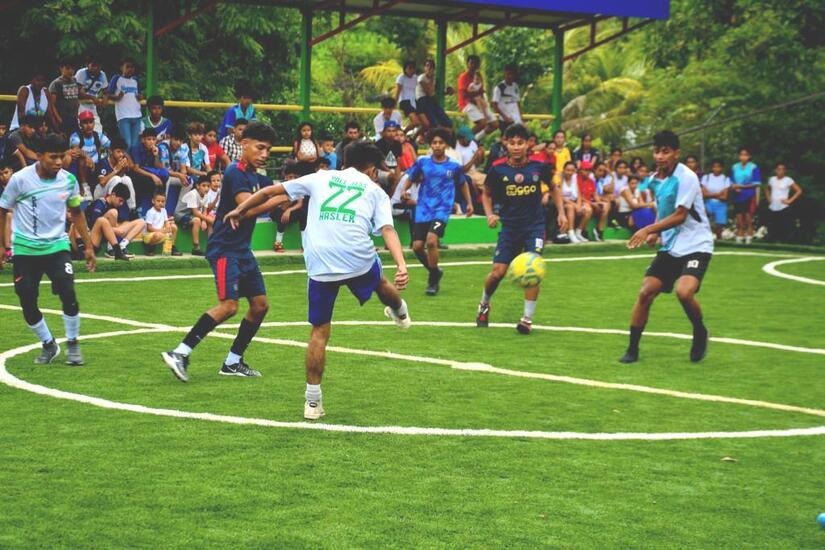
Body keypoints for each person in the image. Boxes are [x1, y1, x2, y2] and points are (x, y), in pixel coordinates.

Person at [223, 140, 410, 420]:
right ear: (372, 169)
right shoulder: (375, 190)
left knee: (319, 331)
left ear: (344, 162)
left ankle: (312, 403)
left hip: (320, 261)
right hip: (357, 258)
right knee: (380, 280)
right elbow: (387, 229)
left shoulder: (320, 177)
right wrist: (402, 265)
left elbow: (270, 191)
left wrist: (240, 210)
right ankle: (400, 311)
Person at [161, 122, 283, 382]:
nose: (264, 154)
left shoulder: (257, 177)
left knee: (260, 306)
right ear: (244, 144)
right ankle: (180, 352)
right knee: (229, 306)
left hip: (242, 249)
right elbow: (245, 207)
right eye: (260, 148)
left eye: (268, 150)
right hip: (225, 248)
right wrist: (285, 196)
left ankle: (233, 361)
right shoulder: (235, 172)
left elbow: (267, 201)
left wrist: (287, 194)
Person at [0, 133, 96, 365]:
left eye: (62, 156)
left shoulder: (69, 180)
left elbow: (76, 213)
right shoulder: (20, 180)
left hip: (57, 246)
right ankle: (48, 344)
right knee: (27, 300)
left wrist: (88, 246)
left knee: (68, 291)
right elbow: (3, 211)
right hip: (25, 249)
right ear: (39, 156)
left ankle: (73, 344)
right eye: (53, 157)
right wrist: (2, 246)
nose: (59, 162)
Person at [620, 130, 713, 364]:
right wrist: (657, 232)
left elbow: (680, 215)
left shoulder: (687, 177)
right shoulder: (655, 179)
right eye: (656, 151)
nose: (660, 156)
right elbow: (664, 208)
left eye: (665, 152)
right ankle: (632, 349)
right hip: (671, 245)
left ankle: (700, 330)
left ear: (676, 153)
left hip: (697, 243)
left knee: (684, 292)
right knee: (646, 292)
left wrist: (648, 229)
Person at [477, 123, 567, 334]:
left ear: (528, 144)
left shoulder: (539, 167)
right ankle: (484, 304)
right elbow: (486, 194)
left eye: (520, 143)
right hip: (510, 227)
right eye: (512, 143)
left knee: (533, 269)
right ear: (505, 144)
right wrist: (490, 214)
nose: (516, 147)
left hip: (534, 227)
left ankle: (527, 319)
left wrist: (561, 212)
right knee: (497, 273)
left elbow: (554, 188)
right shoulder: (497, 169)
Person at [399, 128, 473, 296]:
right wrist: (404, 190)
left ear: (446, 145)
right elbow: (410, 177)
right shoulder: (423, 162)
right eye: (434, 143)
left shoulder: (454, 166)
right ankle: (435, 271)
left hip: (442, 209)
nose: (437, 145)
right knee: (417, 247)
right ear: (430, 145)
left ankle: (432, 281)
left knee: (431, 241)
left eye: (440, 142)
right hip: (423, 208)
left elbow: (463, 184)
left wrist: (469, 203)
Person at [84, 183, 145, 259]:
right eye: (120, 200)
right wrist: (117, 230)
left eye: (123, 202)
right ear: (113, 195)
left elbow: (120, 224)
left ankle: (122, 246)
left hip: (112, 232)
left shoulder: (116, 205)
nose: (121, 204)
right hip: (95, 235)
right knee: (113, 212)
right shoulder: (100, 203)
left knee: (141, 222)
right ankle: (111, 249)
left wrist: (120, 229)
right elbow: (93, 225)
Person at [69, 110, 111, 197]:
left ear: (94, 123)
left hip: (96, 166)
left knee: (104, 151)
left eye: (91, 122)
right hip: (81, 167)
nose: (88, 125)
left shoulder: (99, 136)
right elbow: (75, 149)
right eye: (85, 122)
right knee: (80, 158)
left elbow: (112, 147)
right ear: (80, 125)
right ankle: (85, 187)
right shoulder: (76, 136)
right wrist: (87, 157)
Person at [106, 58, 143, 156]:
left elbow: (140, 94)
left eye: (132, 67)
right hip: (123, 115)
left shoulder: (135, 80)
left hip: (136, 115)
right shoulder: (117, 78)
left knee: (135, 144)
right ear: (121, 67)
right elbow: (108, 94)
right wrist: (117, 97)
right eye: (127, 67)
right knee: (127, 143)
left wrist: (140, 96)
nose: (130, 69)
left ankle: (132, 163)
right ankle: (123, 162)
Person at [457, 55, 498, 141]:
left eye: (476, 63)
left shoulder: (479, 77)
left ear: (478, 65)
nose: (473, 65)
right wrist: (478, 93)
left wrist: (484, 103)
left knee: (494, 124)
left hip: (479, 102)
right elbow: (464, 94)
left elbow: (481, 91)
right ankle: (464, 140)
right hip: (466, 103)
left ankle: (476, 139)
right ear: (467, 64)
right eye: (471, 63)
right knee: (482, 123)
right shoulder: (463, 77)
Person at [49, 59, 92, 137]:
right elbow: (52, 104)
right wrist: (59, 119)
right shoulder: (56, 83)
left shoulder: (74, 80)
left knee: (76, 139)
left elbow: (79, 94)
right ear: (61, 68)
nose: (70, 71)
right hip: (63, 118)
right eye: (67, 68)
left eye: (72, 69)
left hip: (74, 117)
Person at [174, 176, 213, 256]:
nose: (206, 188)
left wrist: (204, 221)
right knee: (197, 220)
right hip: (180, 215)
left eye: (208, 186)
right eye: (204, 186)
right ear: (198, 186)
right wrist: (208, 219)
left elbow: (204, 210)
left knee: (207, 220)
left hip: (190, 215)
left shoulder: (206, 195)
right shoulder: (193, 194)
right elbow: (195, 212)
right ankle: (196, 248)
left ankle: (211, 247)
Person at [94, 138, 137, 211]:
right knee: (116, 179)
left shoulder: (121, 161)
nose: (121, 154)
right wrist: (116, 170)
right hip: (100, 192)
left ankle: (132, 209)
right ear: (111, 151)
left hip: (113, 191)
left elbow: (132, 167)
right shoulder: (104, 159)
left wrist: (123, 169)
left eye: (123, 152)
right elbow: (102, 182)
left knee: (127, 179)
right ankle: (110, 207)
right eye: (118, 152)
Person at [765, 162, 802, 243]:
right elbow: (767, 189)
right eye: (779, 169)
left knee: (784, 226)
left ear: (785, 171)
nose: (780, 171)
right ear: (775, 170)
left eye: (782, 169)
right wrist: (768, 198)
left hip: (783, 207)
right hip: (773, 207)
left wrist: (790, 201)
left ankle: (784, 241)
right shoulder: (772, 179)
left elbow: (799, 191)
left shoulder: (788, 180)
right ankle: (771, 242)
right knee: (772, 226)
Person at [730, 147, 761, 244]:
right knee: (739, 217)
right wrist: (734, 187)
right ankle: (740, 236)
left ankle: (749, 236)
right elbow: (731, 181)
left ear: (749, 156)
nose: (743, 157)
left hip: (749, 195)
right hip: (737, 196)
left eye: (745, 155)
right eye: (741, 155)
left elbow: (756, 183)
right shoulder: (734, 167)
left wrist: (742, 186)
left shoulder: (753, 167)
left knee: (748, 218)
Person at [269, 163, 301, 252]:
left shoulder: (299, 187)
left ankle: (304, 245)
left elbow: (300, 204)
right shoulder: (279, 186)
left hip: (290, 212)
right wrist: (284, 207)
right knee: (282, 214)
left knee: (303, 213)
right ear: (286, 177)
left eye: (295, 177)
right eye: (290, 177)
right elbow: (272, 203)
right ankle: (278, 243)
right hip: (277, 211)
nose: (293, 179)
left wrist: (289, 210)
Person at [415, 59, 452, 131]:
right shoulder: (421, 78)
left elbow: (437, 91)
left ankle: (446, 128)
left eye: (431, 66)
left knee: (446, 120)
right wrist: (431, 79)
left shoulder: (435, 79)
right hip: (422, 101)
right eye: (427, 66)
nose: (429, 68)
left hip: (431, 101)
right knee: (434, 123)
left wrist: (448, 91)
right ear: (424, 68)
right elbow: (430, 92)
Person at [75, 55, 108, 134]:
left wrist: (105, 99)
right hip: (79, 106)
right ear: (87, 65)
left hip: (92, 107)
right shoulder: (81, 73)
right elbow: (78, 92)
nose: (95, 68)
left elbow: (106, 91)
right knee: (83, 128)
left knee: (97, 130)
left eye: (98, 66)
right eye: (93, 65)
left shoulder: (102, 75)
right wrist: (92, 98)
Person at [700, 159, 731, 240]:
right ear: (712, 168)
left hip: (721, 204)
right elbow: (703, 194)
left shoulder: (725, 179)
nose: (716, 169)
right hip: (708, 203)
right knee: (704, 221)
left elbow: (725, 196)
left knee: (719, 225)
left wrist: (710, 194)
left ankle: (719, 239)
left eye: (718, 167)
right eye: (714, 167)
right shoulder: (706, 178)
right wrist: (718, 194)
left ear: (722, 168)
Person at [394, 60, 422, 134]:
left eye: (413, 68)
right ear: (405, 69)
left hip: (415, 101)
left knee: (423, 123)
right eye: (409, 68)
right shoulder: (401, 78)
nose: (411, 70)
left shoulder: (416, 78)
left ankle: (412, 137)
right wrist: (393, 105)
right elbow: (397, 92)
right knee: (416, 122)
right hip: (405, 102)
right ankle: (403, 133)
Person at [375, 120, 403, 193]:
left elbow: (398, 161)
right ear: (384, 132)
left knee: (404, 177)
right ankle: (391, 197)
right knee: (393, 178)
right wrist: (391, 172)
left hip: (393, 169)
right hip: (380, 170)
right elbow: (381, 162)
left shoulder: (398, 144)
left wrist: (397, 173)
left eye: (393, 131)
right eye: (389, 131)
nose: (391, 133)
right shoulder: (378, 144)